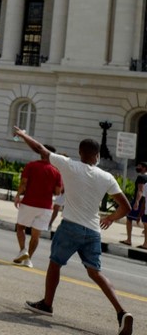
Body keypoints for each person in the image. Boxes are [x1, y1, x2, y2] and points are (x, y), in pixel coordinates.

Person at [17, 129, 134, 335]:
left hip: (70, 226)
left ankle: (47, 304)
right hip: (93, 231)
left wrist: (23, 134)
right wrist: (110, 218)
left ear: (80, 153)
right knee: (95, 273)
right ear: (97, 156)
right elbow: (126, 207)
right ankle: (121, 313)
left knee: (55, 264)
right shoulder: (106, 177)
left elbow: (40, 150)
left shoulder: (69, 165)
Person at [13, 144, 63, 268]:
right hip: (45, 207)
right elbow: (57, 192)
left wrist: (18, 195)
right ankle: (28, 259)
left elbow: (24, 183)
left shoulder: (31, 165)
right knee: (36, 235)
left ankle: (23, 250)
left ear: (41, 153)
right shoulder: (56, 171)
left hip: (29, 202)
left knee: (20, 228)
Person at [122, 161, 147, 248]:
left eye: (139, 166)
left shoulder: (141, 177)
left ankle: (128, 240)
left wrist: (136, 201)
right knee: (145, 222)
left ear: (144, 168)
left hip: (140, 202)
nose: (137, 167)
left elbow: (140, 190)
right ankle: (145, 243)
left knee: (129, 218)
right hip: (145, 202)